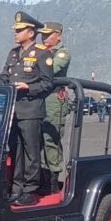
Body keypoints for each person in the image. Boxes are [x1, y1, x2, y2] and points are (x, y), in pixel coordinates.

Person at [0, 11, 54, 206]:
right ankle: (16, 188)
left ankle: (30, 189)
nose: (16, 33)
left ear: (31, 33)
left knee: (31, 151)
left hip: (31, 110)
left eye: (20, 30)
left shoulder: (42, 53)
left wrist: (28, 87)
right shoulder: (13, 53)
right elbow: (4, 77)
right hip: (13, 111)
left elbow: (48, 84)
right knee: (15, 150)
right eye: (16, 30)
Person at [38, 22, 71, 193]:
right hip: (37, 98)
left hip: (52, 99)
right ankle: (41, 178)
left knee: (50, 138)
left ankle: (52, 180)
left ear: (58, 35)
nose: (44, 38)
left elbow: (50, 69)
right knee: (37, 140)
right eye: (42, 35)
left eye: (48, 34)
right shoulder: (39, 52)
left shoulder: (62, 53)